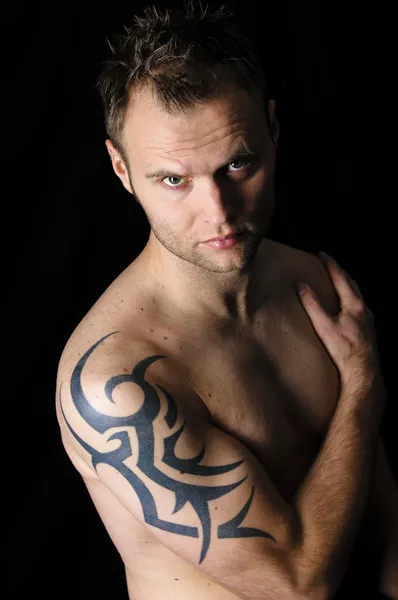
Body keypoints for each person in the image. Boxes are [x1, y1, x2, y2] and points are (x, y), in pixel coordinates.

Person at [55, 2, 398, 598]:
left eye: (237, 164)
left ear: (273, 127)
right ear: (121, 169)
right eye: (173, 179)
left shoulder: (313, 286)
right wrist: (362, 388)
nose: (219, 213)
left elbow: (384, 515)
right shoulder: (114, 384)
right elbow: (296, 585)